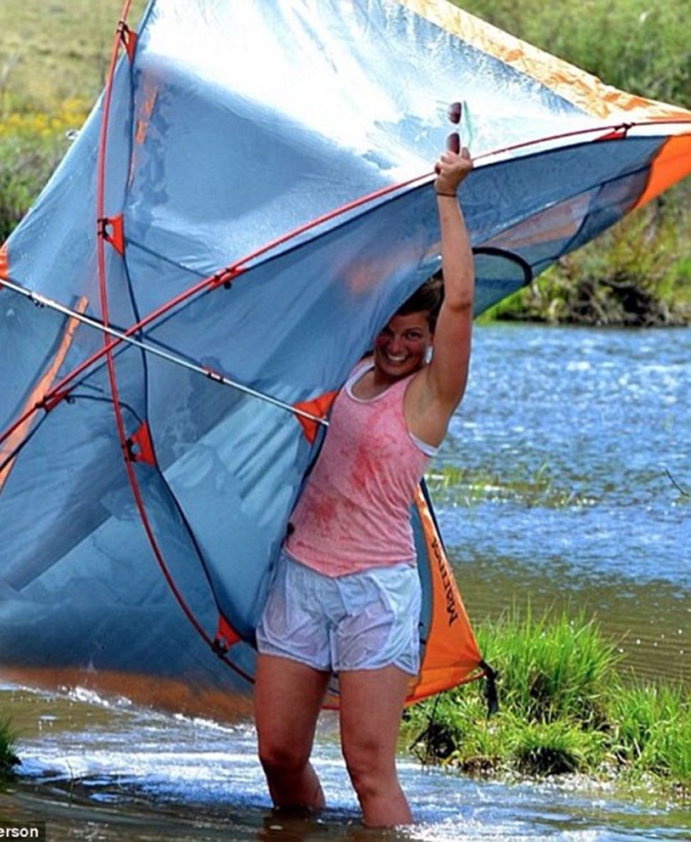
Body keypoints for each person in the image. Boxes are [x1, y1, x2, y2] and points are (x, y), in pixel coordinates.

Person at [253, 145, 474, 828]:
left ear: (430, 341)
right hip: (301, 577)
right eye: (387, 329)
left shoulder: (430, 398)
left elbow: (459, 300)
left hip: (373, 594)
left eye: (413, 334)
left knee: (368, 771)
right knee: (279, 755)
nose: (397, 344)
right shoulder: (347, 366)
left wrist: (445, 197)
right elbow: (334, 276)